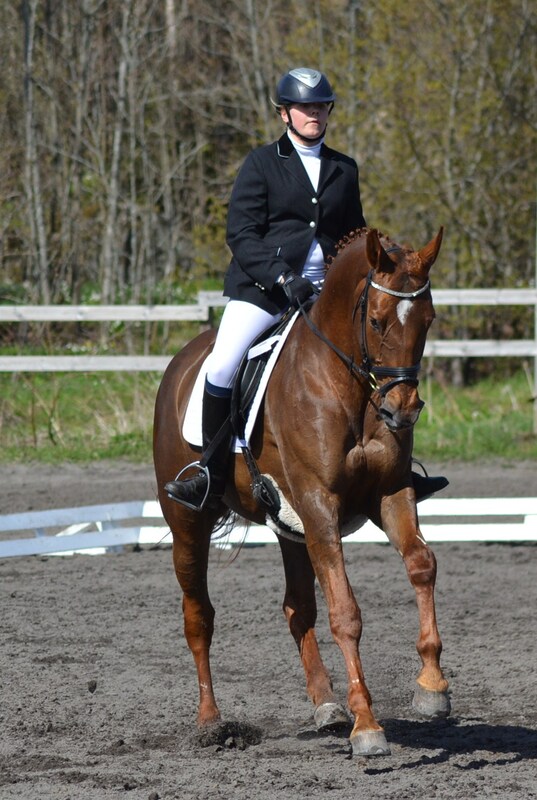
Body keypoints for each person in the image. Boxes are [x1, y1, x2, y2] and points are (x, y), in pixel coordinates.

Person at [165, 67, 447, 511]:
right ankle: (210, 473)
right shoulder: (261, 164)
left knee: (382, 358)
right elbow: (241, 235)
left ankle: (396, 472)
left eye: (321, 106)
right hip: (265, 290)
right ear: (285, 114)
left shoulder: (343, 168)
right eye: (304, 107)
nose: (314, 113)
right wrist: (282, 276)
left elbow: (356, 237)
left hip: (328, 294)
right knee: (222, 364)